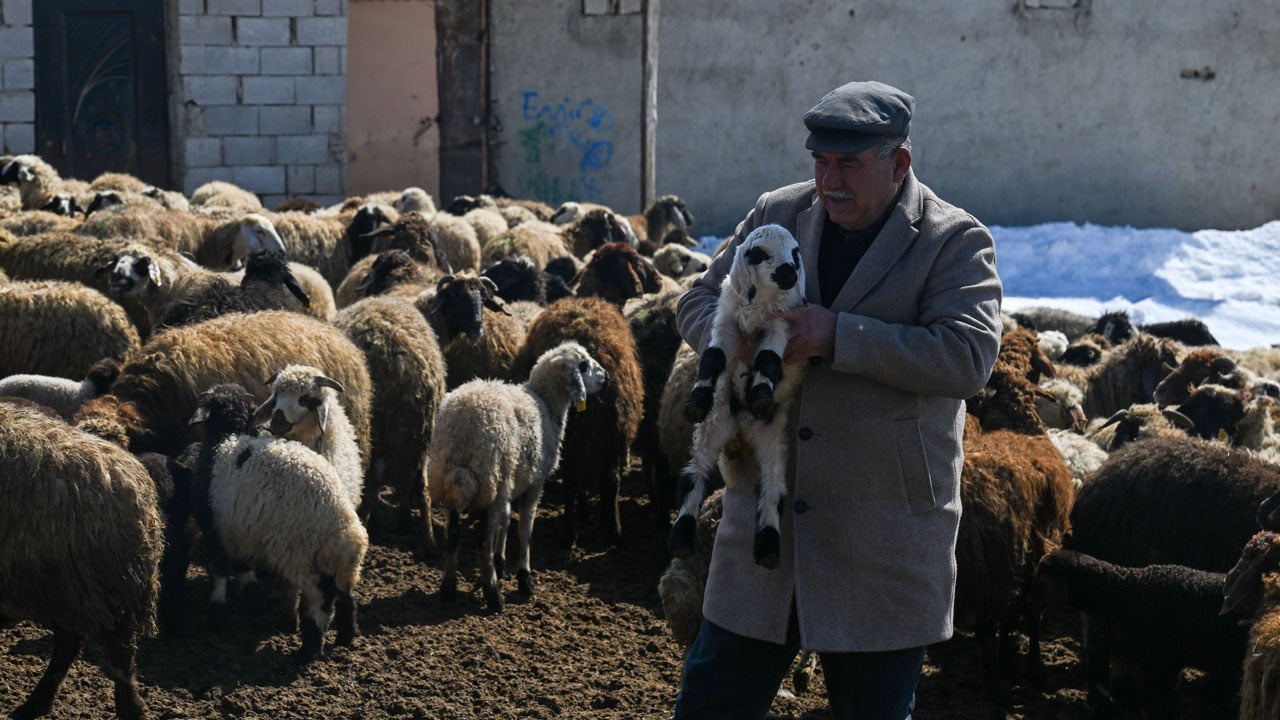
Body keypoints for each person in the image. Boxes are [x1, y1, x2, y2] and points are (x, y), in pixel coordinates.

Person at [669, 80, 1003, 719]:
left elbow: (967, 357)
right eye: (820, 162)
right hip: (768, 529)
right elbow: (697, 300)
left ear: (898, 163)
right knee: (711, 704)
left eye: (849, 163)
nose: (829, 180)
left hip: (880, 537)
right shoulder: (778, 213)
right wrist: (740, 336)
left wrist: (838, 337)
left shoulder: (953, 242)